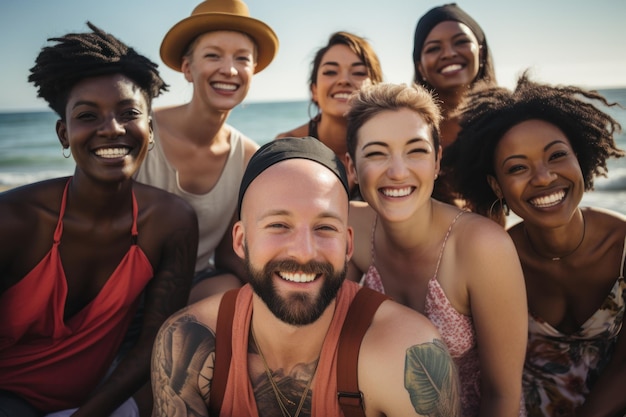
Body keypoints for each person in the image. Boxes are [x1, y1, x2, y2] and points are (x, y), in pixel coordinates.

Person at [151, 137, 461, 417]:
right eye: (278, 226)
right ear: (240, 241)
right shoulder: (189, 343)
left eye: (325, 228)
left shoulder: (404, 352)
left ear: (348, 244)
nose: (303, 252)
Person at [0, 22, 198, 417]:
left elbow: (152, 342)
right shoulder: (14, 220)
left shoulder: (171, 222)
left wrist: (89, 413)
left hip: (95, 402)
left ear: (151, 130)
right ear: (63, 133)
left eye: (129, 113)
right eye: (88, 115)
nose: (112, 129)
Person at [446, 73, 626, 417]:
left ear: (580, 158)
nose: (543, 177)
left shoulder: (623, 246)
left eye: (556, 156)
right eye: (517, 167)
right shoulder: (497, 260)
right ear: (497, 187)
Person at [345, 82, 528, 417]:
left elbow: (502, 395)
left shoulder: (482, 247)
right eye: (375, 153)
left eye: (416, 150)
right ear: (352, 168)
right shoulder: (347, 227)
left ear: (437, 160)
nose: (398, 171)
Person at [135, 0, 278, 302]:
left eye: (242, 59)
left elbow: (228, 254)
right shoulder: (140, 131)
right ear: (188, 68)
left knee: (235, 294)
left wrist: (278, 282)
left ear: (253, 71)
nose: (229, 70)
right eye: (213, 56)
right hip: (124, 284)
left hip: (193, 285)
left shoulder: (247, 156)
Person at [275, 31, 383, 199]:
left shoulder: (390, 148)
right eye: (331, 72)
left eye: (359, 72)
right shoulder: (287, 148)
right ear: (314, 90)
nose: (344, 80)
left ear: (377, 89)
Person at [412, 3, 496, 205]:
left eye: (461, 42)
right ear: (420, 67)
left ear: (481, 54)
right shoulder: (408, 127)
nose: (449, 53)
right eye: (434, 48)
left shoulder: (504, 121)